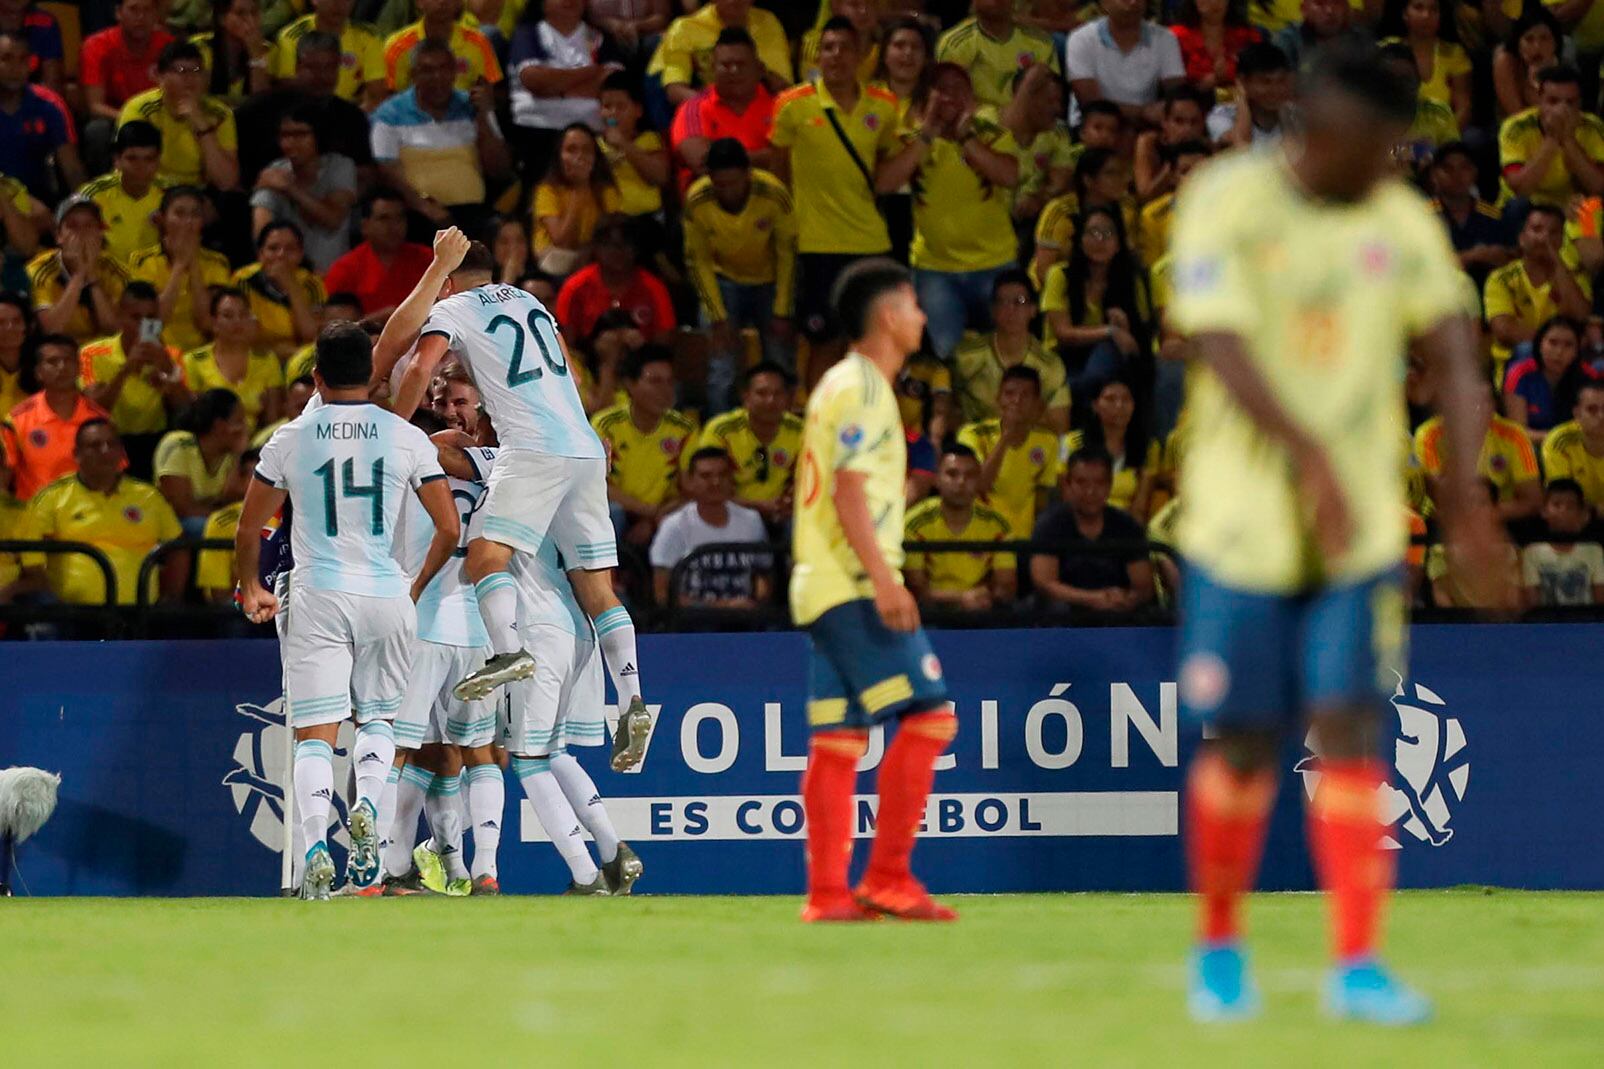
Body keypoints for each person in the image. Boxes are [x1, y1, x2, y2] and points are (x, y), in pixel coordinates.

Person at [1167, 42, 1511, 1023]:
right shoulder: (1224, 201)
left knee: (1353, 724)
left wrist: (1463, 498)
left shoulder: (1393, 218)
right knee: (1240, 744)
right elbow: (1218, 341)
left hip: (1356, 530)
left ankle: (1355, 962)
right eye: (1378, 149)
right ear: (1322, 134)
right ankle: (1219, 945)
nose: (1390, 168)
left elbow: (1452, 350)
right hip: (1242, 526)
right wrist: (1305, 454)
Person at [381, 231, 654, 776]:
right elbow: (572, 375)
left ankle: (509, 652)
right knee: (596, 586)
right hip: (583, 445)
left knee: (484, 555)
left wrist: (397, 432)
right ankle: (633, 701)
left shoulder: (453, 308)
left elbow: (414, 367)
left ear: (450, 280)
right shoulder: (529, 300)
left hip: (530, 446)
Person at [235, 320, 460, 899]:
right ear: (372, 377)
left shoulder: (291, 437)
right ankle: (365, 804)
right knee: (379, 722)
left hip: (318, 593)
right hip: (386, 593)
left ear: (315, 376)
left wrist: (252, 585)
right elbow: (448, 525)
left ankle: (315, 846)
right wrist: (412, 586)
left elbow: (250, 523)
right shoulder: (405, 435)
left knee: (314, 735)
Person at [790, 257, 957, 923]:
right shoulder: (862, 386)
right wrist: (886, 580)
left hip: (822, 581)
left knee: (838, 739)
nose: (922, 316)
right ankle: (888, 876)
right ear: (889, 315)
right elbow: (850, 489)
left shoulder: (842, 383)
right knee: (931, 716)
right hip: (852, 583)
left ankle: (829, 894)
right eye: (914, 305)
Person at [771, 19, 903, 382]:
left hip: (871, 243)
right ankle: (820, 425)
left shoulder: (885, 105)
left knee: (871, 342)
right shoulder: (791, 105)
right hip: (817, 246)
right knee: (823, 343)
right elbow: (779, 170)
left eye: (844, 47)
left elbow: (885, 170)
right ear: (817, 55)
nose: (836, 55)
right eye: (827, 47)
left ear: (860, 54)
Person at [875, 62, 1019, 362]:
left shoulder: (991, 132)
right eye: (941, 88)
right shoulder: (910, 138)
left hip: (996, 263)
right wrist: (926, 134)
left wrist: (967, 137)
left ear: (971, 98)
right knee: (949, 357)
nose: (950, 96)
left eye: (959, 89)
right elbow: (885, 183)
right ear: (926, 95)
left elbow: (1009, 176)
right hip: (936, 270)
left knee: (1005, 354)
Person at [16, 418, 184, 605]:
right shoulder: (51, 498)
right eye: (95, 446)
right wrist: (51, 601)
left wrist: (171, 596)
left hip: (139, 614)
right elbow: (32, 560)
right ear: (77, 454)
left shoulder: (149, 496)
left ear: (121, 452)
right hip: (71, 616)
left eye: (111, 444)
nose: (105, 451)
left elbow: (177, 547)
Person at [682, 138, 796, 410]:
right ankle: (718, 430)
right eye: (720, 184)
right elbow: (698, 262)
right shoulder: (698, 200)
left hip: (769, 281)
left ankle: (784, 427)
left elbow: (788, 256)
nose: (728, 191)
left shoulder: (773, 193)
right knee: (721, 365)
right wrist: (717, 316)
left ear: (748, 173)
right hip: (723, 282)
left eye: (734, 183)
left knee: (779, 360)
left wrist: (782, 310)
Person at [371, 37, 512, 240]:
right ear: (413, 75)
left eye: (444, 68)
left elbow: (500, 170)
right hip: (417, 213)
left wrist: (483, 116)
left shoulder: (475, 106)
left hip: (473, 212)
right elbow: (386, 172)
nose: (437, 77)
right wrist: (425, 207)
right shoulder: (390, 114)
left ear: (455, 72)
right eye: (427, 71)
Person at [234, 29, 376, 189]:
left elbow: (366, 173)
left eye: (329, 67)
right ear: (297, 67)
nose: (322, 76)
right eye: (313, 67)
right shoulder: (259, 109)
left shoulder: (352, 117)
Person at [79, 281, 191, 478]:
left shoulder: (171, 355)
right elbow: (94, 409)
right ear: (120, 316)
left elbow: (187, 411)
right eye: (135, 318)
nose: (143, 326)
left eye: (150, 318)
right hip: (112, 441)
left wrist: (168, 370)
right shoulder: (92, 353)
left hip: (156, 441)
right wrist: (126, 370)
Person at [591, 346, 696, 545]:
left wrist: (654, 521)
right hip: (616, 511)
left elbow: (690, 489)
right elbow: (595, 483)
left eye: (670, 382)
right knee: (614, 514)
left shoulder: (685, 429)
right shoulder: (606, 425)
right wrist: (649, 513)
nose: (665, 390)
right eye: (655, 381)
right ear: (630, 384)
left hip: (664, 515)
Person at [1029, 447, 1153, 615]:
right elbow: (1044, 583)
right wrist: (1094, 599)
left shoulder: (1127, 525)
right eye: (1081, 482)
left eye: (1099, 483)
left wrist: (1126, 599)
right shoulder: (1050, 524)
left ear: (1110, 485)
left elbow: (1143, 586)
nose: (1090, 491)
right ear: (1068, 483)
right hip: (1064, 616)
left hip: (1116, 615)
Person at [506, 0, 622, 180]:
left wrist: (557, 88)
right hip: (539, 130)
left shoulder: (600, 37)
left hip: (592, 132)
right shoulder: (528, 34)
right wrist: (592, 71)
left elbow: (613, 83)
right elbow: (535, 80)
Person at [956, 366, 1062, 559]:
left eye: (1025, 395)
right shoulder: (972, 434)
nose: (1016, 401)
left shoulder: (1048, 442)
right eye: (1009, 394)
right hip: (980, 538)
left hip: (1022, 542)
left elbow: (1042, 498)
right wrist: (1005, 438)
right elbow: (979, 484)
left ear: (1037, 404)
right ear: (999, 399)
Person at [1041, 205, 1151, 390]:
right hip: (1062, 358)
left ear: (1118, 243)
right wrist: (1111, 331)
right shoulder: (1059, 275)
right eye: (1092, 233)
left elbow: (1137, 341)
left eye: (1107, 233)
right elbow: (1063, 333)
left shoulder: (1131, 280)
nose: (1099, 240)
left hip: (1110, 360)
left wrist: (1125, 326)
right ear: (1080, 240)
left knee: (1107, 353)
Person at [1483, 204, 1591, 387]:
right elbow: (1504, 331)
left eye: (1553, 232)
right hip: (1516, 366)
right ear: (1522, 238)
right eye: (1537, 229)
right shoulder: (1500, 278)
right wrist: (1554, 345)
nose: (1544, 238)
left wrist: (1557, 260)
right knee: (1525, 350)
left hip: (1567, 365)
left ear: (1561, 239)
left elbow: (1581, 317)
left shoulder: (1575, 277)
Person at [649, 446, 770, 609]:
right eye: (706, 476)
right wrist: (721, 607)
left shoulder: (752, 521)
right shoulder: (674, 526)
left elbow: (765, 576)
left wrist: (756, 602)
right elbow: (661, 594)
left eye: (722, 475)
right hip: (692, 625)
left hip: (744, 622)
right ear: (691, 481)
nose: (716, 482)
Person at [953, 269, 1070, 432]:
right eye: (1002, 302)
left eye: (1019, 301)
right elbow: (949, 409)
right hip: (976, 444)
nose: (1011, 310)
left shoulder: (1050, 365)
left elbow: (1060, 426)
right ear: (993, 310)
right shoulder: (965, 356)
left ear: (1033, 309)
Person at [904, 441, 1015, 612]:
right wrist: (961, 599)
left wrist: (979, 598)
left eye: (970, 475)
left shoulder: (998, 526)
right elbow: (917, 589)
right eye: (952, 474)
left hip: (981, 608)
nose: (961, 482)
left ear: (979, 480)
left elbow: (1005, 585)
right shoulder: (914, 523)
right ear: (937, 479)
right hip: (931, 612)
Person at [117, 40, 240, 191]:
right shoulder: (141, 109)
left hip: (198, 193)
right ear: (160, 75)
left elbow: (226, 182)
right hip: (153, 190)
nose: (190, 78)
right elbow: (134, 171)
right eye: (181, 70)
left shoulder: (220, 114)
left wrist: (201, 125)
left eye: (196, 70)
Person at [250, 106, 359, 274]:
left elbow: (333, 219)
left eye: (300, 135)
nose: (289, 143)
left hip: (333, 278)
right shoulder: (276, 171)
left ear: (319, 136)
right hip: (288, 277)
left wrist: (290, 189)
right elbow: (261, 235)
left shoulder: (340, 166)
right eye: (285, 136)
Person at [3, 335, 111, 501]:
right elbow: (3, 479)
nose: (62, 367)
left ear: (79, 368)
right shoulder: (16, 420)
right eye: (52, 362)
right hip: (34, 516)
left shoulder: (100, 418)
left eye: (68, 360)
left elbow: (112, 475)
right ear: (38, 372)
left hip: (88, 514)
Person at [128, 185, 233, 354]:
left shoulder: (217, 263)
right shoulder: (142, 261)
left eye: (195, 214)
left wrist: (192, 264)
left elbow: (206, 324)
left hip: (204, 355)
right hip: (157, 352)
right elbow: (151, 326)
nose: (188, 222)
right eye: (179, 213)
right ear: (162, 219)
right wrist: (179, 266)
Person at [669, 28, 777, 190]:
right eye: (726, 65)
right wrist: (770, 156)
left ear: (759, 68)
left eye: (741, 64)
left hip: (773, 200)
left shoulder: (781, 104)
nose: (733, 71)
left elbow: (798, 157)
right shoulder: (693, 108)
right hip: (709, 206)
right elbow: (702, 163)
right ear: (713, 69)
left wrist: (725, 158)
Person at [697, 361, 802, 527]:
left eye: (778, 393)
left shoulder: (801, 430)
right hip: (733, 511)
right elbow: (706, 487)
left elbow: (806, 481)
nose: (770, 400)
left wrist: (789, 501)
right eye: (762, 393)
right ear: (745, 396)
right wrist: (758, 507)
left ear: (788, 398)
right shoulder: (721, 430)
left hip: (784, 515)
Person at [552, 214, 676, 344]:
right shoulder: (575, 287)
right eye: (609, 245)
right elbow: (564, 340)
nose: (617, 252)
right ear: (596, 248)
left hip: (642, 356)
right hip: (588, 357)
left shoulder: (653, 287)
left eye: (625, 244)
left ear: (636, 249)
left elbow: (665, 339)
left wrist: (642, 344)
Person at [648, 0, 793, 109]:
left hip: (757, 111)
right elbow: (675, 91)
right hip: (706, 111)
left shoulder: (768, 22)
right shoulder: (685, 27)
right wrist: (716, 107)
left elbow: (782, 86)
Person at [1064, 0, 1186, 127]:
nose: (1133, 2)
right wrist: (1143, 112)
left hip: (1145, 127)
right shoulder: (1081, 39)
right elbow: (1090, 103)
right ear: (1104, 3)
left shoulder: (1165, 38)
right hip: (1095, 129)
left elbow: (1177, 95)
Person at [182, 287, 286, 433]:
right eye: (228, 315)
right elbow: (193, 419)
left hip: (255, 445)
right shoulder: (193, 361)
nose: (237, 322)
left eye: (243, 315)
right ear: (214, 322)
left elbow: (272, 421)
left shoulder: (267, 360)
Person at [1499, 66, 1604, 209]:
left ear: (1580, 103)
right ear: (1539, 100)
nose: (1561, 110)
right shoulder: (1516, 127)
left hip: (1570, 206)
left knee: (1593, 208)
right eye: (1553, 101)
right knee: (1518, 206)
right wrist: (1552, 139)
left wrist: (1568, 140)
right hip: (1527, 205)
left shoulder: (1593, 127)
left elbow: (1598, 187)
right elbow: (1521, 189)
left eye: (1570, 102)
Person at [27, 198, 129, 345]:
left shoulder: (115, 269)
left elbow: (116, 330)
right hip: (61, 352)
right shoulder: (38, 271)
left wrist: (92, 278)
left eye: (89, 225)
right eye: (73, 226)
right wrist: (79, 275)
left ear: (101, 233)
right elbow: (50, 330)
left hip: (103, 353)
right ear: (58, 236)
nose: (81, 234)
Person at [322, 189, 434, 322]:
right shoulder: (344, 268)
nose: (393, 226)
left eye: (399, 218)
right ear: (365, 226)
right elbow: (332, 326)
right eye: (384, 218)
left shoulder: (428, 258)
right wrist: (379, 319)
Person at [529, 123, 621, 278]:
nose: (579, 157)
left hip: (594, 261)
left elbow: (611, 236)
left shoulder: (606, 191)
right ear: (559, 155)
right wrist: (579, 188)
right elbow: (562, 240)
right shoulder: (547, 190)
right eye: (571, 150)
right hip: (554, 266)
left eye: (587, 150)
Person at [152, 386, 248, 534]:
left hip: (213, 518)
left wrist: (239, 455)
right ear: (220, 426)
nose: (245, 428)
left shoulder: (230, 455)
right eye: (239, 421)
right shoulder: (179, 443)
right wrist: (222, 519)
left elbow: (233, 499)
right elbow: (182, 508)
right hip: (174, 524)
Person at [1062, 376, 1160, 521]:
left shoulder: (1149, 447)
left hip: (1125, 528)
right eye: (1110, 399)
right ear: (1095, 405)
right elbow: (1068, 497)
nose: (1119, 406)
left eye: (1126, 399)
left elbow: (1141, 506)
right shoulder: (1072, 443)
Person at [935, 0, 1059, 110]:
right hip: (978, 126)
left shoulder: (1042, 43)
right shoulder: (955, 43)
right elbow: (950, 102)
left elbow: (1051, 98)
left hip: (1030, 123)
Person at [232, 221, 326, 360]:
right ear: (260, 254)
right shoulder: (243, 280)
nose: (281, 255)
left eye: (290, 249)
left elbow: (311, 334)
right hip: (258, 358)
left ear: (300, 255)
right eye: (273, 248)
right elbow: (246, 336)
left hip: (301, 359)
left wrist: (291, 286)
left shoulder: (312, 283)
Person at [267, 0, 387, 110]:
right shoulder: (291, 37)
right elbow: (289, 93)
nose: (338, 4)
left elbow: (376, 98)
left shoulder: (369, 36)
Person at [78, 121, 167, 267]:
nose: (141, 167)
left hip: (156, 279)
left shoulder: (170, 194)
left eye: (149, 159)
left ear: (158, 161)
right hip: (107, 276)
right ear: (117, 160)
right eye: (132, 159)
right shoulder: (92, 194)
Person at [1427, 141, 1511, 294]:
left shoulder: (1494, 216)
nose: (1457, 175)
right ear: (1434, 175)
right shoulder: (1423, 217)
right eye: (1448, 169)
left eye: (1464, 168)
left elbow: (1508, 260)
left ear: (1474, 173)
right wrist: (1474, 256)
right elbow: (1422, 268)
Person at [81, 0, 175, 136]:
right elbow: (95, 107)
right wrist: (135, 119)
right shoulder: (95, 46)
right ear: (118, 13)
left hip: (159, 119)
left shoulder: (168, 46)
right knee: (97, 130)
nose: (141, 17)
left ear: (156, 15)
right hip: (116, 118)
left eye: (147, 10)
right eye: (133, 9)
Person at [1377, 0, 1470, 131]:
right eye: (1418, 8)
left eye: (1433, 9)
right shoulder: (1387, 48)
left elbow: (1463, 108)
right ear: (1405, 13)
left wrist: (1444, 137)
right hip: (1395, 135)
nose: (1426, 15)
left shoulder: (1454, 53)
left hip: (1442, 137)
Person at [1504, 315, 1592, 443]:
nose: (1559, 352)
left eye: (1568, 345)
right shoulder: (1519, 374)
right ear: (1540, 344)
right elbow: (1518, 432)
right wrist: (1556, 438)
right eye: (1552, 342)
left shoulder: (1588, 377)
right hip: (1532, 448)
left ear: (1576, 351)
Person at [382, 0, 503, 93]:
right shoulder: (397, 46)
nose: (442, 1)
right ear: (418, 2)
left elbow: (489, 94)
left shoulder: (479, 42)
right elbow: (388, 99)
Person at [1521, 478, 1604, 607]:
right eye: (1556, 505)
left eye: (1570, 506)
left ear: (1582, 513)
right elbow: (1533, 605)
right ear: (1544, 511)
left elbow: (1600, 603)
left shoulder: (1594, 550)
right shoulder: (1532, 552)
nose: (1563, 511)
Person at [598, 71, 669, 220]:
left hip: (647, 220)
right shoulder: (594, 144)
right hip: (610, 222)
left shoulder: (650, 140)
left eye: (621, 107)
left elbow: (659, 177)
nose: (613, 113)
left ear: (638, 110)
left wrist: (624, 144)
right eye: (607, 106)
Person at [1206, 41, 1293, 149]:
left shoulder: (1296, 115)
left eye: (1281, 81)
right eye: (1266, 82)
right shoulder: (1221, 116)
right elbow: (1241, 148)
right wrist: (1241, 99)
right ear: (1242, 81)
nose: (1275, 90)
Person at [1170, 0, 1263, 96]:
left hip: (1239, 97)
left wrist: (1223, 78)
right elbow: (1171, 83)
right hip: (1190, 100)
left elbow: (1261, 73)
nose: (1215, 3)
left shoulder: (1247, 35)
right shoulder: (1176, 36)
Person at [1134, 86, 1209, 202]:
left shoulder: (1209, 147)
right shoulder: (1150, 143)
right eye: (1179, 121)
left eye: (1194, 122)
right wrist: (1171, 168)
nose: (1187, 129)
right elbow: (1144, 195)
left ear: (1203, 123)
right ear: (1165, 122)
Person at [192, 0, 273, 105]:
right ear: (222, 18)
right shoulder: (199, 48)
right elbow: (197, 99)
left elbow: (263, 103)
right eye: (240, 14)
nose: (250, 21)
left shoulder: (269, 50)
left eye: (254, 13)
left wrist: (256, 57)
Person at [1542, 378, 1604, 512]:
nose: (1601, 416)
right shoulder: (1559, 441)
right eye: (1592, 410)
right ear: (1577, 414)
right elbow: (1562, 500)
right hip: (1578, 519)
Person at [1492, 8, 1561, 123]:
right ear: (1518, 42)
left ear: (1555, 42)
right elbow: (1519, 117)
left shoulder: (1561, 64)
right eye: (1529, 39)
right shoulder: (1506, 61)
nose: (1537, 47)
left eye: (1544, 38)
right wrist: (1535, 84)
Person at [0, 291, 32, 415]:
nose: (9, 327)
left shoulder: (43, 366)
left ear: (28, 326)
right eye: (0, 322)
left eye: (16, 321)